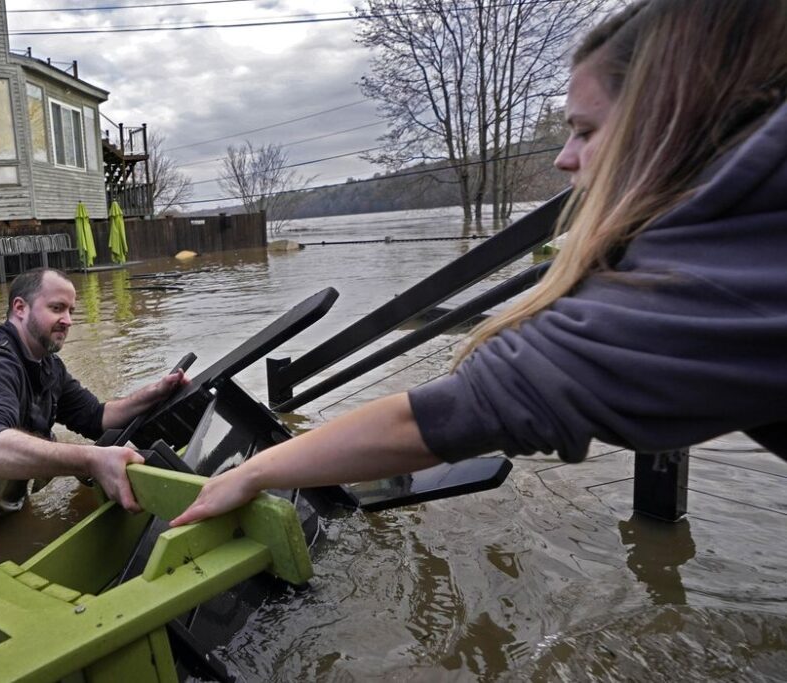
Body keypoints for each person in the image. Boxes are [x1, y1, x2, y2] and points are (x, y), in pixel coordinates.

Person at [172, 0, 787, 527]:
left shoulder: (709, 278)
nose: (563, 159)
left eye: (583, 130)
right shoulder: (747, 227)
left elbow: (450, 415)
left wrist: (250, 475)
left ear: (672, 117)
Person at [0, 267, 186, 526]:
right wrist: (90, 460)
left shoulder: (47, 363)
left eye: (71, 310)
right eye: (57, 308)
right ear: (20, 308)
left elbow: (96, 417)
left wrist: (154, 393)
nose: (68, 320)